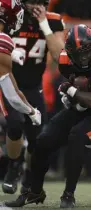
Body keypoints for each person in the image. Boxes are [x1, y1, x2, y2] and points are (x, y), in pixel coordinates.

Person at [4, 24, 91, 208]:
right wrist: (71, 96)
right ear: (69, 54)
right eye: (78, 54)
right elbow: (77, 94)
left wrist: (71, 90)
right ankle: (34, 192)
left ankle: (68, 195)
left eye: (86, 52)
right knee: (42, 141)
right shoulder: (64, 61)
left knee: (76, 136)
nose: (84, 58)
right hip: (80, 109)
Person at [2, 0, 65, 194]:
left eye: (41, 2)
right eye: (33, 2)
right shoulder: (11, 16)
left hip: (33, 87)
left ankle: (28, 175)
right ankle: (14, 166)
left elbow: (59, 55)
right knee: (14, 124)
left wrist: (44, 23)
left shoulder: (53, 20)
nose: (37, 6)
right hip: (8, 81)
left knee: (37, 139)